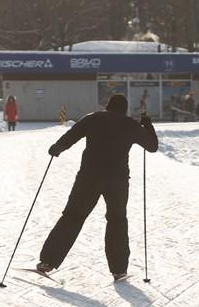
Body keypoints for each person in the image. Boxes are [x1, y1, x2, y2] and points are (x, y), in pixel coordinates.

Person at [35, 94, 159, 280]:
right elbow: (152, 146)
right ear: (124, 109)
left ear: (108, 106)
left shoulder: (93, 118)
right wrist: (147, 124)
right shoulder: (130, 125)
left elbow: (71, 136)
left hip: (89, 177)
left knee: (72, 216)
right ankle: (119, 270)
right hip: (117, 181)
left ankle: (48, 261)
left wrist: (56, 149)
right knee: (117, 220)